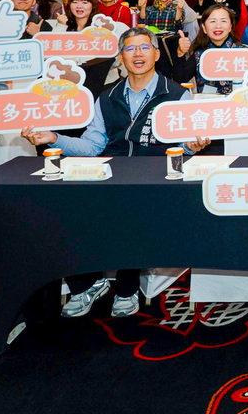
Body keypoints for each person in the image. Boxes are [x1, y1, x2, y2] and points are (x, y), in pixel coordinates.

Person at [20, 27, 209, 319]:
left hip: (154, 177)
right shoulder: (107, 97)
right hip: (112, 173)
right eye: (130, 49)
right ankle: (87, 283)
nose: (138, 55)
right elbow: (93, 145)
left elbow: (183, 143)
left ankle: (126, 287)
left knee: (131, 210)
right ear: (120, 57)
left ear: (157, 54)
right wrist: (54, 138)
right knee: (64, 207)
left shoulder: (176, 95)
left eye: (145, 48)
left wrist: (193, 146)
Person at [172, 3, 243, 94]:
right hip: (207, 105)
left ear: (230, 27)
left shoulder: (242, 52)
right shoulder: (199, 54)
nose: (218, 26)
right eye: (213, 21)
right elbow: (179, 80)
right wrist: (180, 53)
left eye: (223, 21)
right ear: (204, 28)